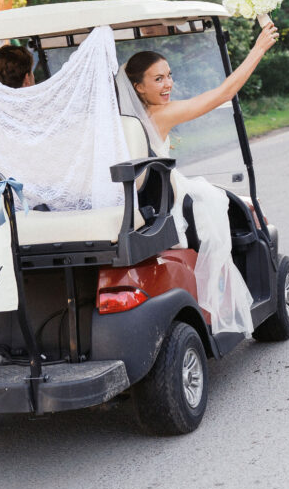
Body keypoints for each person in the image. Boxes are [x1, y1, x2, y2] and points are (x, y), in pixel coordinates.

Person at [115, 21, 279, 336]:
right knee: (221, 206)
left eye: (169, 76)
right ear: (138, 87)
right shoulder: (160, 116)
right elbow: (224, 93)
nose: (168, 85)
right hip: (166, 203)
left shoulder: (122, 120)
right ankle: (221, 300)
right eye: (158, 79)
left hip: (144, 199)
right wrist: (259, 48)